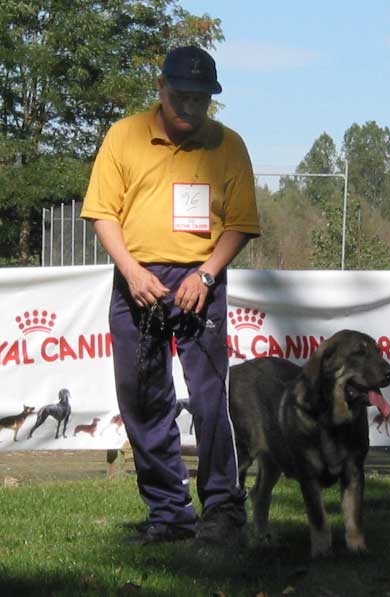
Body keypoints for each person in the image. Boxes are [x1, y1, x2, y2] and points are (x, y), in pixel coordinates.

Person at [81, 45, 260, 546]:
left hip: (199, 281)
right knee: (143, 401)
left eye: (201, 98)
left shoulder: (229, 145)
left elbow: (241, 224)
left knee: (212, 400)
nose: (190, 106)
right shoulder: (125, 136)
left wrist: (205, 275)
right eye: (181, 95)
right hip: (138, 280)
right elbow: (102, 213)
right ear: (160, 88)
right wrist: (132, 272)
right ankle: (169, 515)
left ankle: (224, 510)